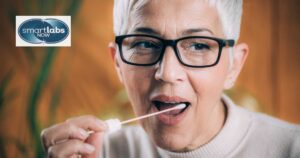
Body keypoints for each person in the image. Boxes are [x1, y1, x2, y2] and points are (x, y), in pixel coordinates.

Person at [41, 0, 300, 157]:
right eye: (144, 43)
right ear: (118, 63)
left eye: (198, 46)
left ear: (234, 65)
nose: (167, 72)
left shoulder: (292, 150)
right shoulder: (97, 153)